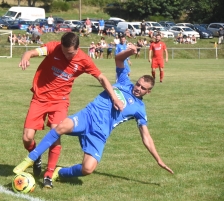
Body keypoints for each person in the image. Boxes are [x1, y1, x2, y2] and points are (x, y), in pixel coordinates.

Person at [13, 46, 174, 188]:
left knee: (87, 169)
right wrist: (130, 52)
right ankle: (31, 159)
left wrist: (158, 159)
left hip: (100, 133)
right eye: (138, 84)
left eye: (142, 88)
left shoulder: (140, 109)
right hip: (87, 116)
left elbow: (146, 136)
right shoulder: (125, 81)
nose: (137, 88)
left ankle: (59, 173)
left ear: (148, 92)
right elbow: (118, 59)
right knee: (60, 127)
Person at [13, 32, 124, 189]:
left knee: (55, 133)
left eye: (70, 53)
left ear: (77, 48)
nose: (66, 56)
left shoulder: (84, 60)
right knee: (27, 137)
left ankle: (49, 174)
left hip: (60, 101)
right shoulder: (54, 47)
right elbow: (33, 52)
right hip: (39, 98)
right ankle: (36, 157)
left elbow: (101, 78)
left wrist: (115, 98)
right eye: (64, 52)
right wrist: (27, 56)